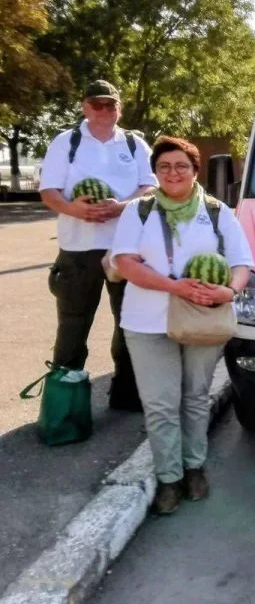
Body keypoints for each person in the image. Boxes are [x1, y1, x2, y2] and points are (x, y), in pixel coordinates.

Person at [111, 136, 253, 515]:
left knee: (194, 397)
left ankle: (194, 468)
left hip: (203, 319)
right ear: (155, 173)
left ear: (194, 170)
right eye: (164, 167)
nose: (173, 173)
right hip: (147, 321)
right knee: (160, 404)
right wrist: (175, 286)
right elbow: (124, 262)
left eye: (181, 166)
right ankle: (169, 478)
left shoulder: (219, 211)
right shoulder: (138, 212)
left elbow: (242, 263)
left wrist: (228, 291)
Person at [39, 80, 157, 411]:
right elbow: (49, 192)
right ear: (85, 106)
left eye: (110, 105)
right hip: (78, 250)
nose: (104, 110)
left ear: (119, 108)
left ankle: (127, 395)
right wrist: (74, 209)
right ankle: (65, 403)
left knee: (129, 322)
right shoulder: (67, 142)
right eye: (97, 104)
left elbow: (150, 187)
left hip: (126, 249)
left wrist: (121, 206)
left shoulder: (135, 144)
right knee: (73, 326)